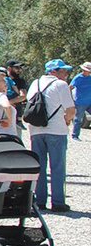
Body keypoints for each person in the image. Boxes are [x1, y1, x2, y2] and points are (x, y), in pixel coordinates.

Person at [26, 59, 77, 212]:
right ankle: (58, 202)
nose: (66, 74)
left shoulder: (35, 83)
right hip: (56, 130)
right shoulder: (60, 85)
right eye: (63, 71)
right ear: (54, 72)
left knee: (39, 167)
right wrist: (67, 120)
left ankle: (40, 201)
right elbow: (71, 109)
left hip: (36, 130)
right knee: (57, 167)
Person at [69, 62, 91, 140]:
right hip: (80, 102)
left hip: (90, 102)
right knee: (78, 119)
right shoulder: (78, 78)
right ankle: (75, 136)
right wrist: (70, 99)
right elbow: (70, 87)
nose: (88, 72)